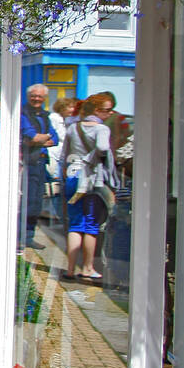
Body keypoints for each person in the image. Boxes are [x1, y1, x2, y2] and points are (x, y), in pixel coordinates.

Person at [61, 94, 118, 281]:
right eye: (107, 109)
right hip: (92, 179)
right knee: (91, 225)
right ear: (96, 110)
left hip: (72, 174)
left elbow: (64, 155)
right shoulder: (101, 129)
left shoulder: (72, 127)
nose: (110, 113)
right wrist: (91, 159)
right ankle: (87, 267)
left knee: (75, 224)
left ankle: (69, 269)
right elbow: (102, 148)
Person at [19, 83, 59, 252]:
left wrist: (42, 138)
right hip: (27, 163)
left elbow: (54, 138)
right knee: (24, 202)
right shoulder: (22, 113)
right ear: (28, 96)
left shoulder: (45, 115)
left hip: (41, 162)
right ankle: (18, 238)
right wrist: (37, 139)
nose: (36, 99)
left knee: (36, 203)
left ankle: (29, 237)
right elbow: (30, 136)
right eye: (33, 95)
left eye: (40, 96)